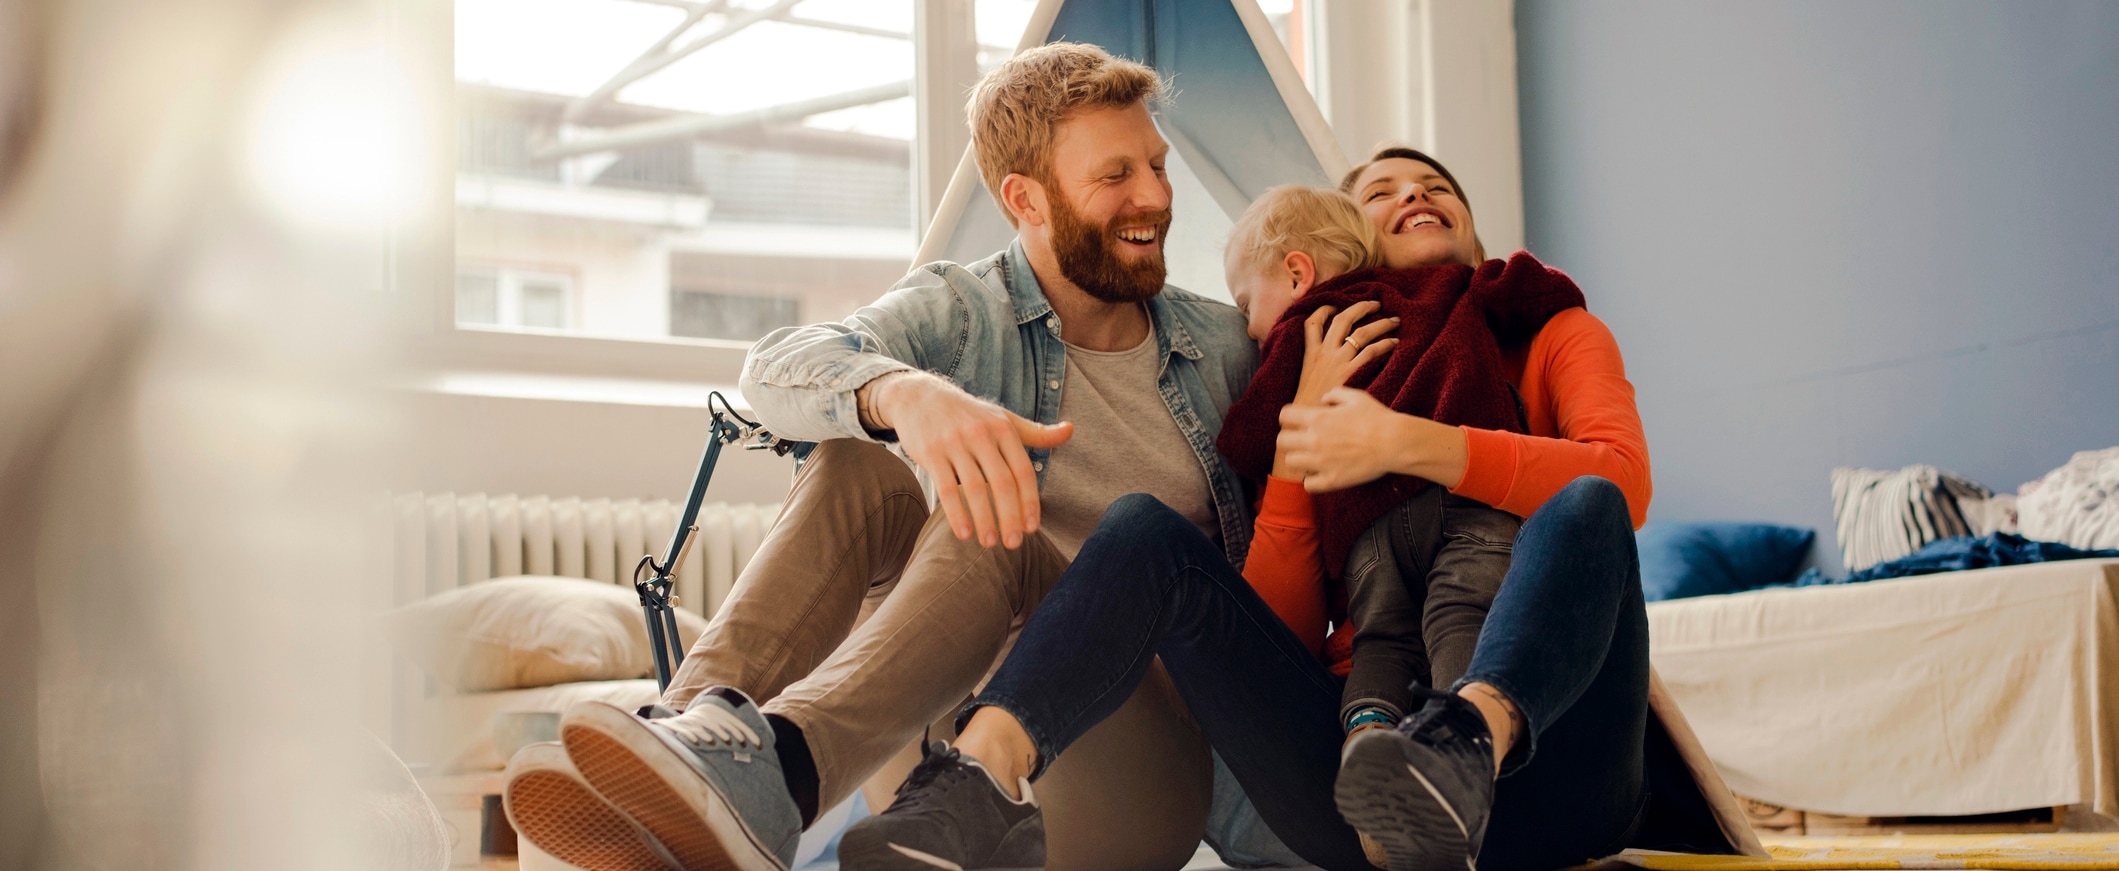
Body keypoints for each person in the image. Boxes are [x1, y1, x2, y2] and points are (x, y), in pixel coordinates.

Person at [838, 148, 1757, 871]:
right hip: (1363, 796)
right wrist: (1298, 437)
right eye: (1381, 191)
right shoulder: (1310, 372)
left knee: (1583, 497)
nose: (1412, 194)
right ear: (1338, 253)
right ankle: (976, 776)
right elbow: (1274, 626)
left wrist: (1403, 443)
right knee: (1139, 528)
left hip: (1554, 773)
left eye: (1435, 186)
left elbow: (1623, 485)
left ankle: (1464, 740)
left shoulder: (1548, 329)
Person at [500, 43, 1260, 871]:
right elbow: (776, 367)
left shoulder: (1223, 347)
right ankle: (675, 761)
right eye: (1116, 175)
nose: (1154, 195)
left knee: (992, 521)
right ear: (1025, 200)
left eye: (1156, 163)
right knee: (855, 466)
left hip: (1134, 765)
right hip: (942, 755)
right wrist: (900, 395)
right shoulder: (966, 311)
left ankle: (781, 776)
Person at [1215, 185, 1588, 752]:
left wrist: (1270, 435)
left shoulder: (1301, 332)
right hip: (1470, 507)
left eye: (1246, 305)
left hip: (1369, 524)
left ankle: (1368, 735)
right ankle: (1455, 742)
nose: (1248, 328)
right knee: (1464, 616)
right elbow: (1530, 286)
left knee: (1382, 640)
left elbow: (1247, 439)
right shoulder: (1453, 286)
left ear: (1297, 273)